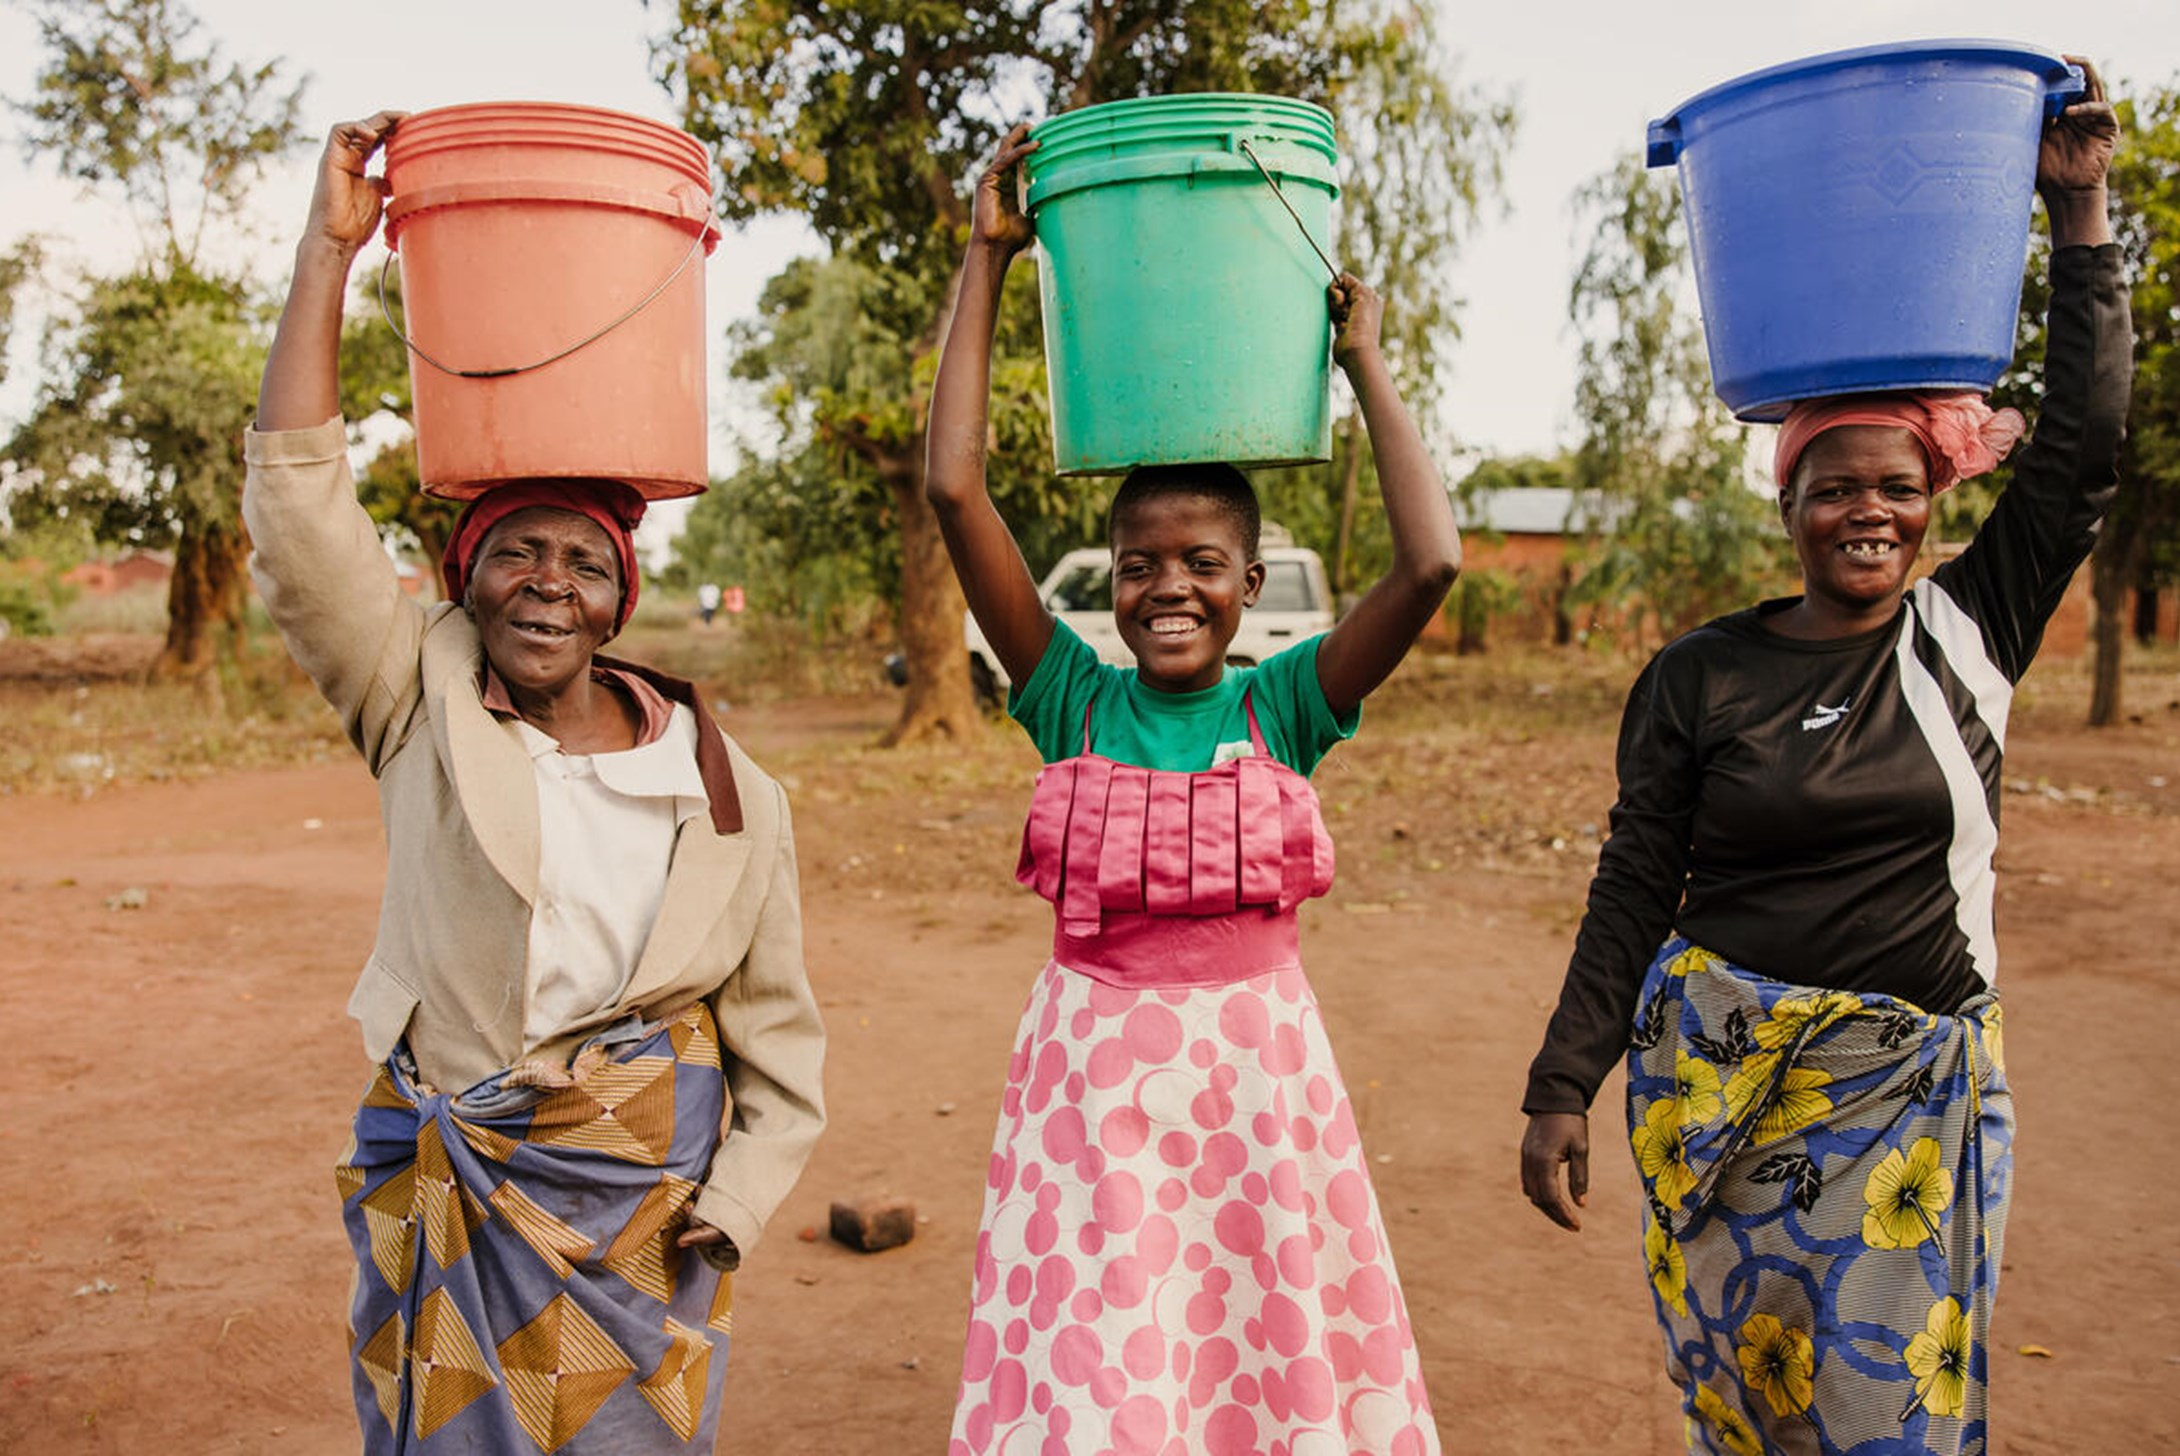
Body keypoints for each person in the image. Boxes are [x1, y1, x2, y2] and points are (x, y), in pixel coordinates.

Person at [1518, 61, 2127, 1456]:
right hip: (1730, 1107)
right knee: (1747, 1411)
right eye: (1835, 486)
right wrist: (1566, 1081)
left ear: (1933, 501)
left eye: (1898, 488)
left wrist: (2078, 215)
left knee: (1887, 1416)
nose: (1869, 512)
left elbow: (2084, 446)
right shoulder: (1700, 677)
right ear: (1787, 502)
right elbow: (1633, 888)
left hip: (1913, 1108)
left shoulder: (1970, 630)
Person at [244, 113, 825, 1454]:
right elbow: (298, 514)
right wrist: (331, 253)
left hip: (637, 1204)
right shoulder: (417, 702)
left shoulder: (732, 799)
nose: (548, 581)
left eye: (582, 560)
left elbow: (780, 1043)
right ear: (465, 580)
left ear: (622, 599)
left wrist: (726, 1213)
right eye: (516, 552)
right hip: (457, 1171)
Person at [929, 124, 1462, 1454]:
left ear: (1248, 579)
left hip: (1254, 1078)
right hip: (1096, 1084)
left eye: (1204, 561)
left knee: (1255, 1334)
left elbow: (1432, 564)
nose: (1170, 586)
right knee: (1117, 1348)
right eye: (1141, 562)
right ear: (1111, 579)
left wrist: (1365, 366)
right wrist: (987, 260)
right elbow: (952, 488)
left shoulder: (1282, 706)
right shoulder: (1074, 702)